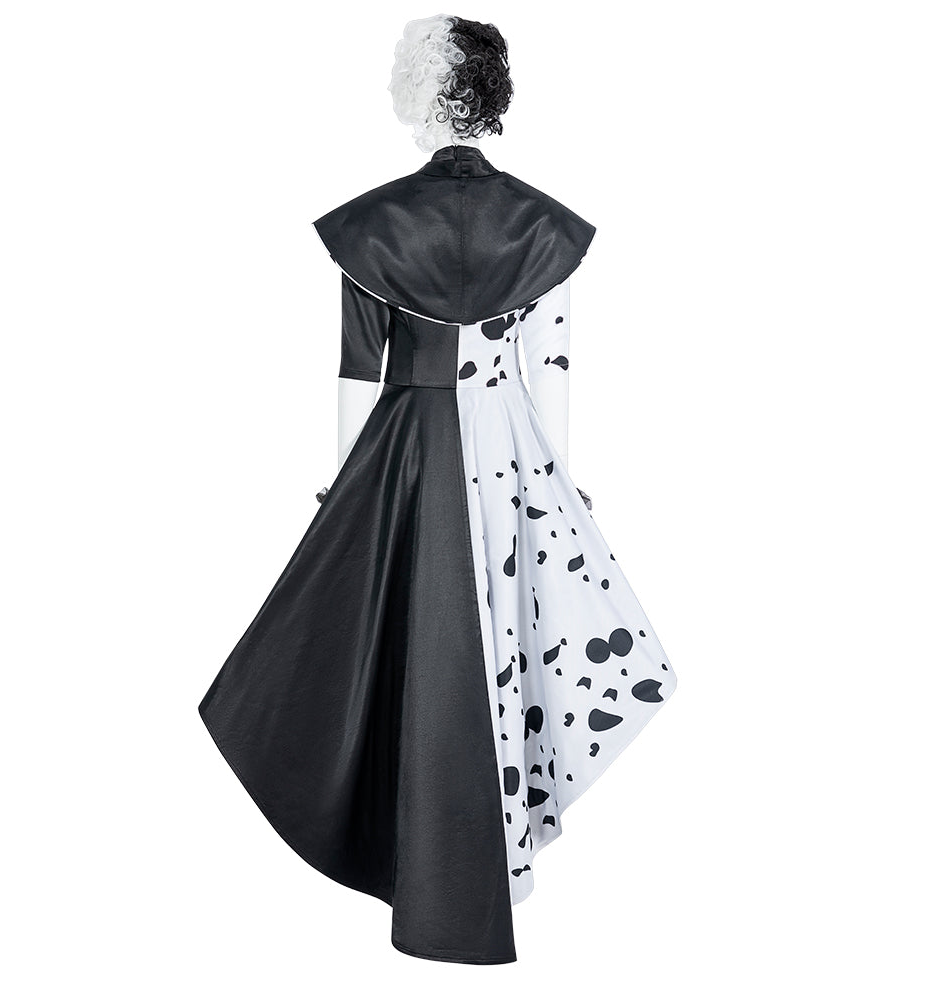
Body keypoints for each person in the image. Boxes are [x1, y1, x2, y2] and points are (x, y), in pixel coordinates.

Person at [199, 14, 677, 965]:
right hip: (510, 453)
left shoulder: (371, 226)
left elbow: (356, 373)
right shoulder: (543, 228)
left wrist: (341, 491)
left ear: (429, 96)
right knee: (501, 634)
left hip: (405, 448)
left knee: (400, 641)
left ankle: (411, 849)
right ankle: (492, 852)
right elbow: (553, 369)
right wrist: (562, 485)